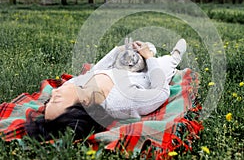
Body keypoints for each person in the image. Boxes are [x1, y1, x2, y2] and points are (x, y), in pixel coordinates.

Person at [25, 39, 187, 141]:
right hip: (148, 77)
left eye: (49, 101)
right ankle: (175, 56)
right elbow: (159, 91)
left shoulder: (77, 84)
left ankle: (147, 52)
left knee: (140, 49)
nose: (54, 92)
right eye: (57, 99)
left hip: (126, 68)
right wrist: (150, 59)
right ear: (85, 103)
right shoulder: (124, 101)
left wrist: (118, 50)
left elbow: (94, 70)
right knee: (165, 64)